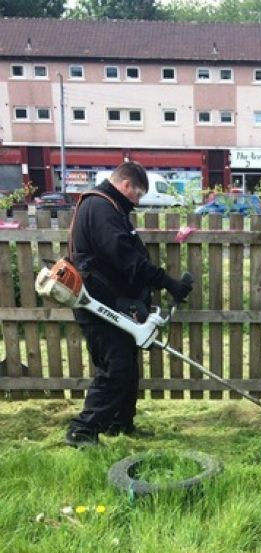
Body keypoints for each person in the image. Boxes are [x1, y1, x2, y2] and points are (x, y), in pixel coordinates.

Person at [65, 161, 192, 448]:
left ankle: (118, 424)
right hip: (97, 305)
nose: (136, 202)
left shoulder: (109, 208)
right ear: (125, 186)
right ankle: (82, 431)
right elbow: (124, 256)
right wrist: (166, 282)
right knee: (116, 368)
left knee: (127, 367)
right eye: (137, 195)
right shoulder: (101, 208)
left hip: (112, 303)